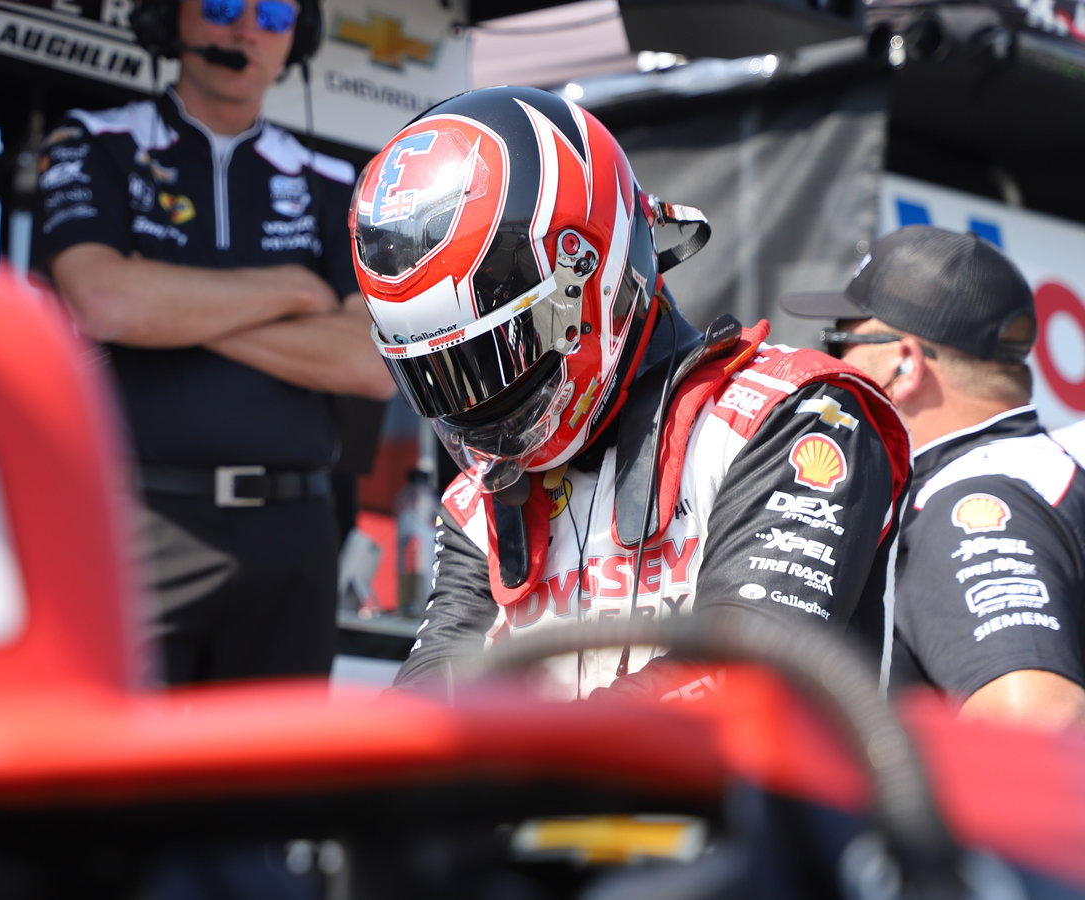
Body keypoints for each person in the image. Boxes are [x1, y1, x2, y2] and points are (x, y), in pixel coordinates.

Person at [352, 86, 914, 700]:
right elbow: (430, 695)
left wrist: (516, 766)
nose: (480, 403)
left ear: (590, 279)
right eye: (446, 371)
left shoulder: (796, 415)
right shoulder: (479, 498)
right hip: (556, 794)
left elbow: (751, 673)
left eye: (496, 353)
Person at [31, 0, 394, 685]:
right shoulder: (92, 141)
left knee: (275, 783)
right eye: (224, 4)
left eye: (276, 15)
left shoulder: (334, 182)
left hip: (296, 531)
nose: (246, 29)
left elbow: (374, 363)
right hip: (136, 520)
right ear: (173, 19)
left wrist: (173, 312)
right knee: (124, 779)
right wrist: (293, 288)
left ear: (300, 39)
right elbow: (106, 302)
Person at [782, 226, 1085, 730]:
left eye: (840, 343)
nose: (831, 368)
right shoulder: (1038, 471)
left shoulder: (969, 503)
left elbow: (1038, 726)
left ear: (905, 363)